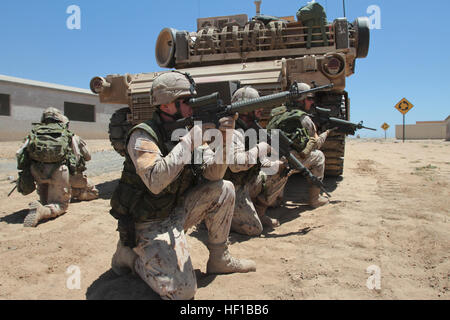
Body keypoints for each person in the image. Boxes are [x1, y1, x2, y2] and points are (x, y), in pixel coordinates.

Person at [109, 71, 256, 300]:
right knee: (182, 292)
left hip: (176, 211)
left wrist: (225, 140)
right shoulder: (142, 135)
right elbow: (156, 182)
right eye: (186, 101)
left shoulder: (186, 128)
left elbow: (213, 174)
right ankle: (132, 258)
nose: (192, 106)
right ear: (166, 104)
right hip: (148, 223)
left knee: (224, 187)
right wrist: (190, 140)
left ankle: (219, 258)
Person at [16, 107, 99, 227]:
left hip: (38, 173)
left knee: (48, 199)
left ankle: (48, 200)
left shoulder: (33, 135)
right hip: (61, 173)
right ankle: (43, 211)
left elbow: (21, 157)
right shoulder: (70, 136)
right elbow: (88, 156)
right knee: (90, 192)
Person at [225, 86, 290, 236]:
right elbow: (237, 165)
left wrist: (276, 165)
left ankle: (259, 213)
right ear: (245, 109)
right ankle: (215, 218)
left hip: (245, 181)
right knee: (254, 229)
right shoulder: (231, 130)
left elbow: (260, 162)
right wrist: (262, 147)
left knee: (280, 170)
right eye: (256, 105)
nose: (261, 109)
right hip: (230, 189)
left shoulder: (253, 128)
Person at [267, 82, 333, 208]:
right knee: (319, 156)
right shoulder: (304, 119)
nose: (311, 102)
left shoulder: (277, 112)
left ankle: (277, 197)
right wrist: (325, 134)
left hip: (271, 158)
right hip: (288, 161)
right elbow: (315, 145)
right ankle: (315, 199)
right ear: (301, 100)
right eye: (309, 98)